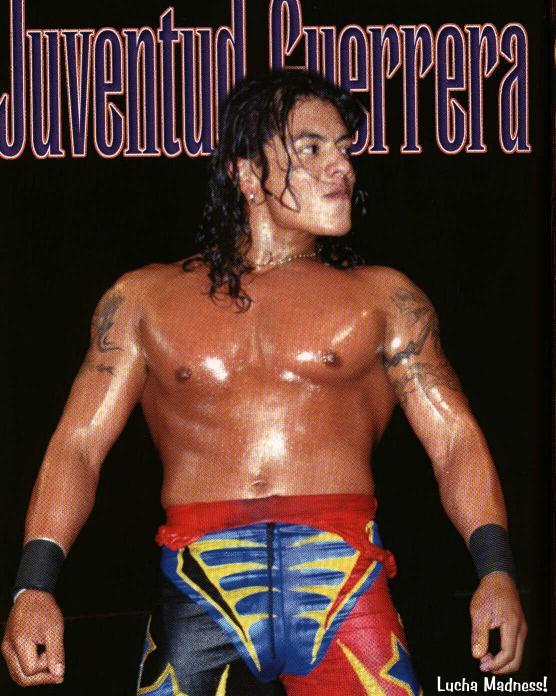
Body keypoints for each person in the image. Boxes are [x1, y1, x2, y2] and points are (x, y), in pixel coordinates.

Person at [2, 71, 526, 695]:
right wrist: (33, 586)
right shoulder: (143, 299)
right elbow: (78, 445)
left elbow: (455, 439)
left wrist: (496, 571)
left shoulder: (386, 300)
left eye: (345, 149)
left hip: (346, 579)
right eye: (312, 148)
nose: (343, 167)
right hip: (197, 583)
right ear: (248, 173)